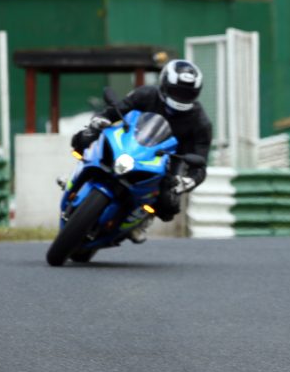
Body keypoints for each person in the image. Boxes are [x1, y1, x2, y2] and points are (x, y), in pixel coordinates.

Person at [71, 59, 213, 243]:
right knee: (84, 138)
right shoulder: (146, 94)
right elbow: (116, 111)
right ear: (164, 85)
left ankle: (142, 219)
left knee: (168, 204)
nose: (180, 97)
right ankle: (76, 175)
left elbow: (200, 163)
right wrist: (100, 120)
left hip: (167, 160)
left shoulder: (201, 123)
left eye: (186, 93)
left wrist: (189, 180)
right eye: (177, 91)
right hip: (129, 142)